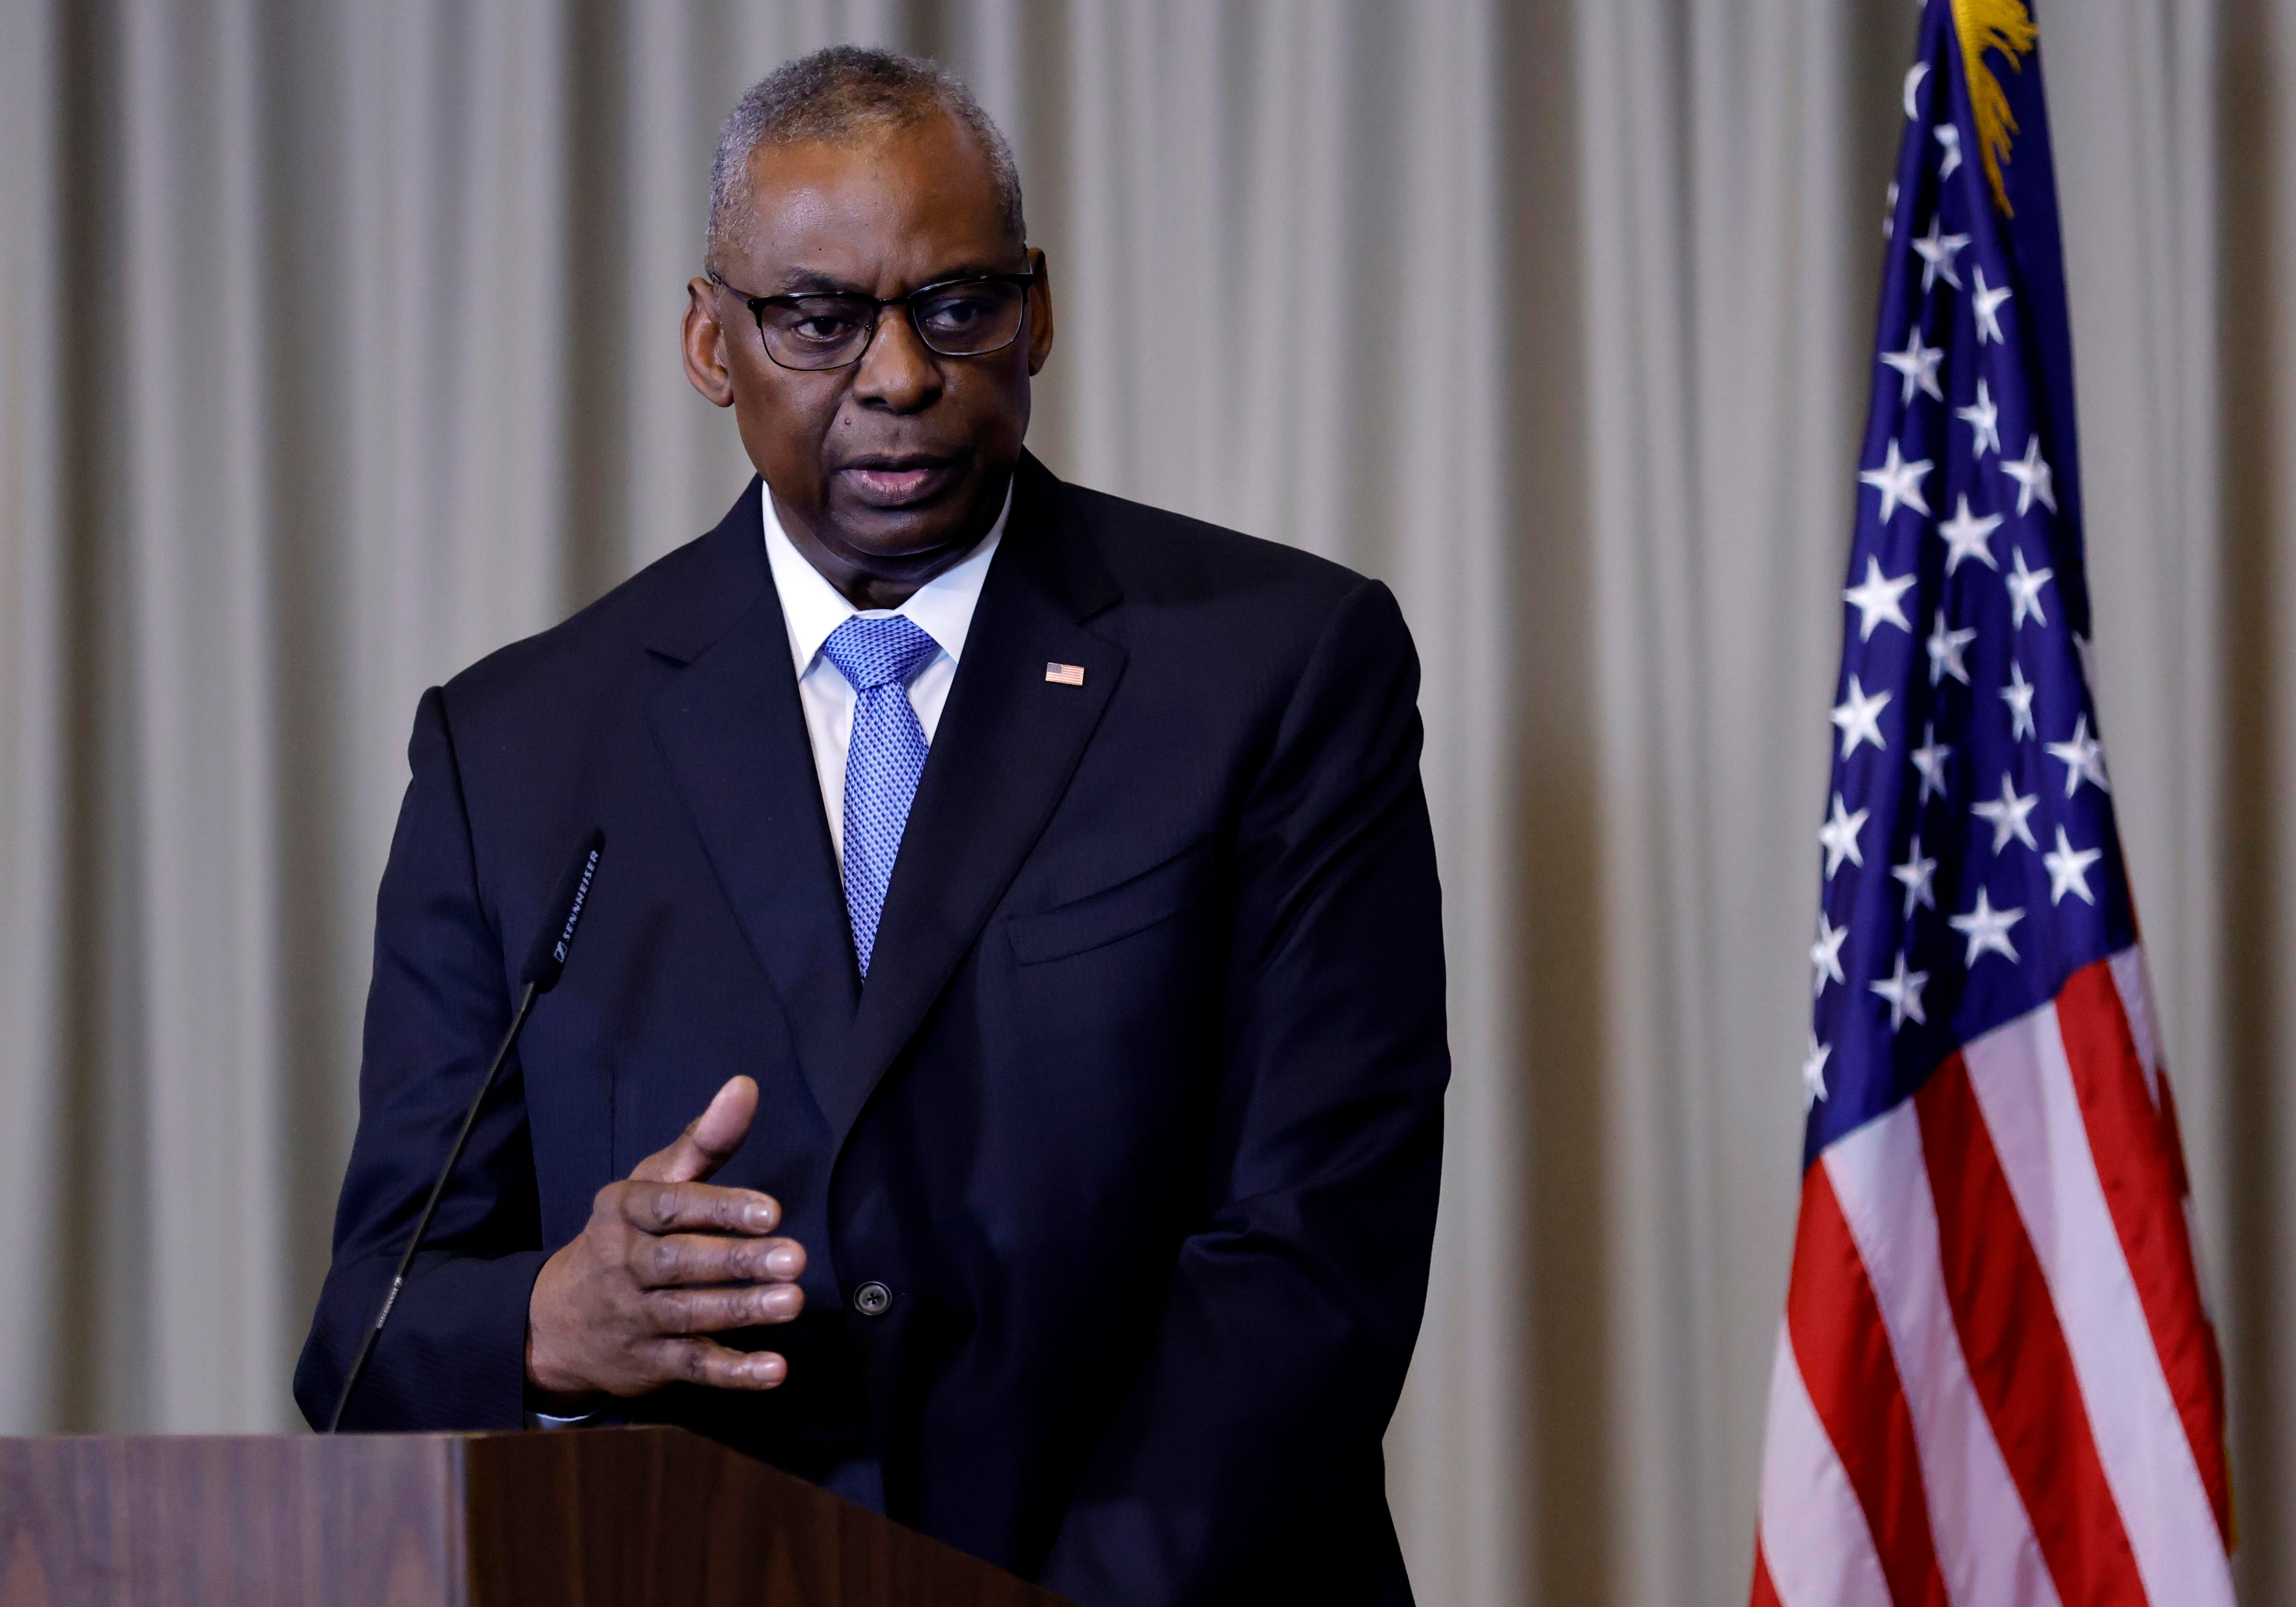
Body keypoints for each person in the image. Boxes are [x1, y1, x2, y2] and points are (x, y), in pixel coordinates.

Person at [295, 44, 1448, 1607]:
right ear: (712, 341)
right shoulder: (515, 750)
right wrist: (555, 1324)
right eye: (819, 320)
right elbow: (369, 1335)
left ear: (1036, 312)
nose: (898, 375)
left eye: (957, 305)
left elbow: (1315, 1251)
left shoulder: (1277, 667)